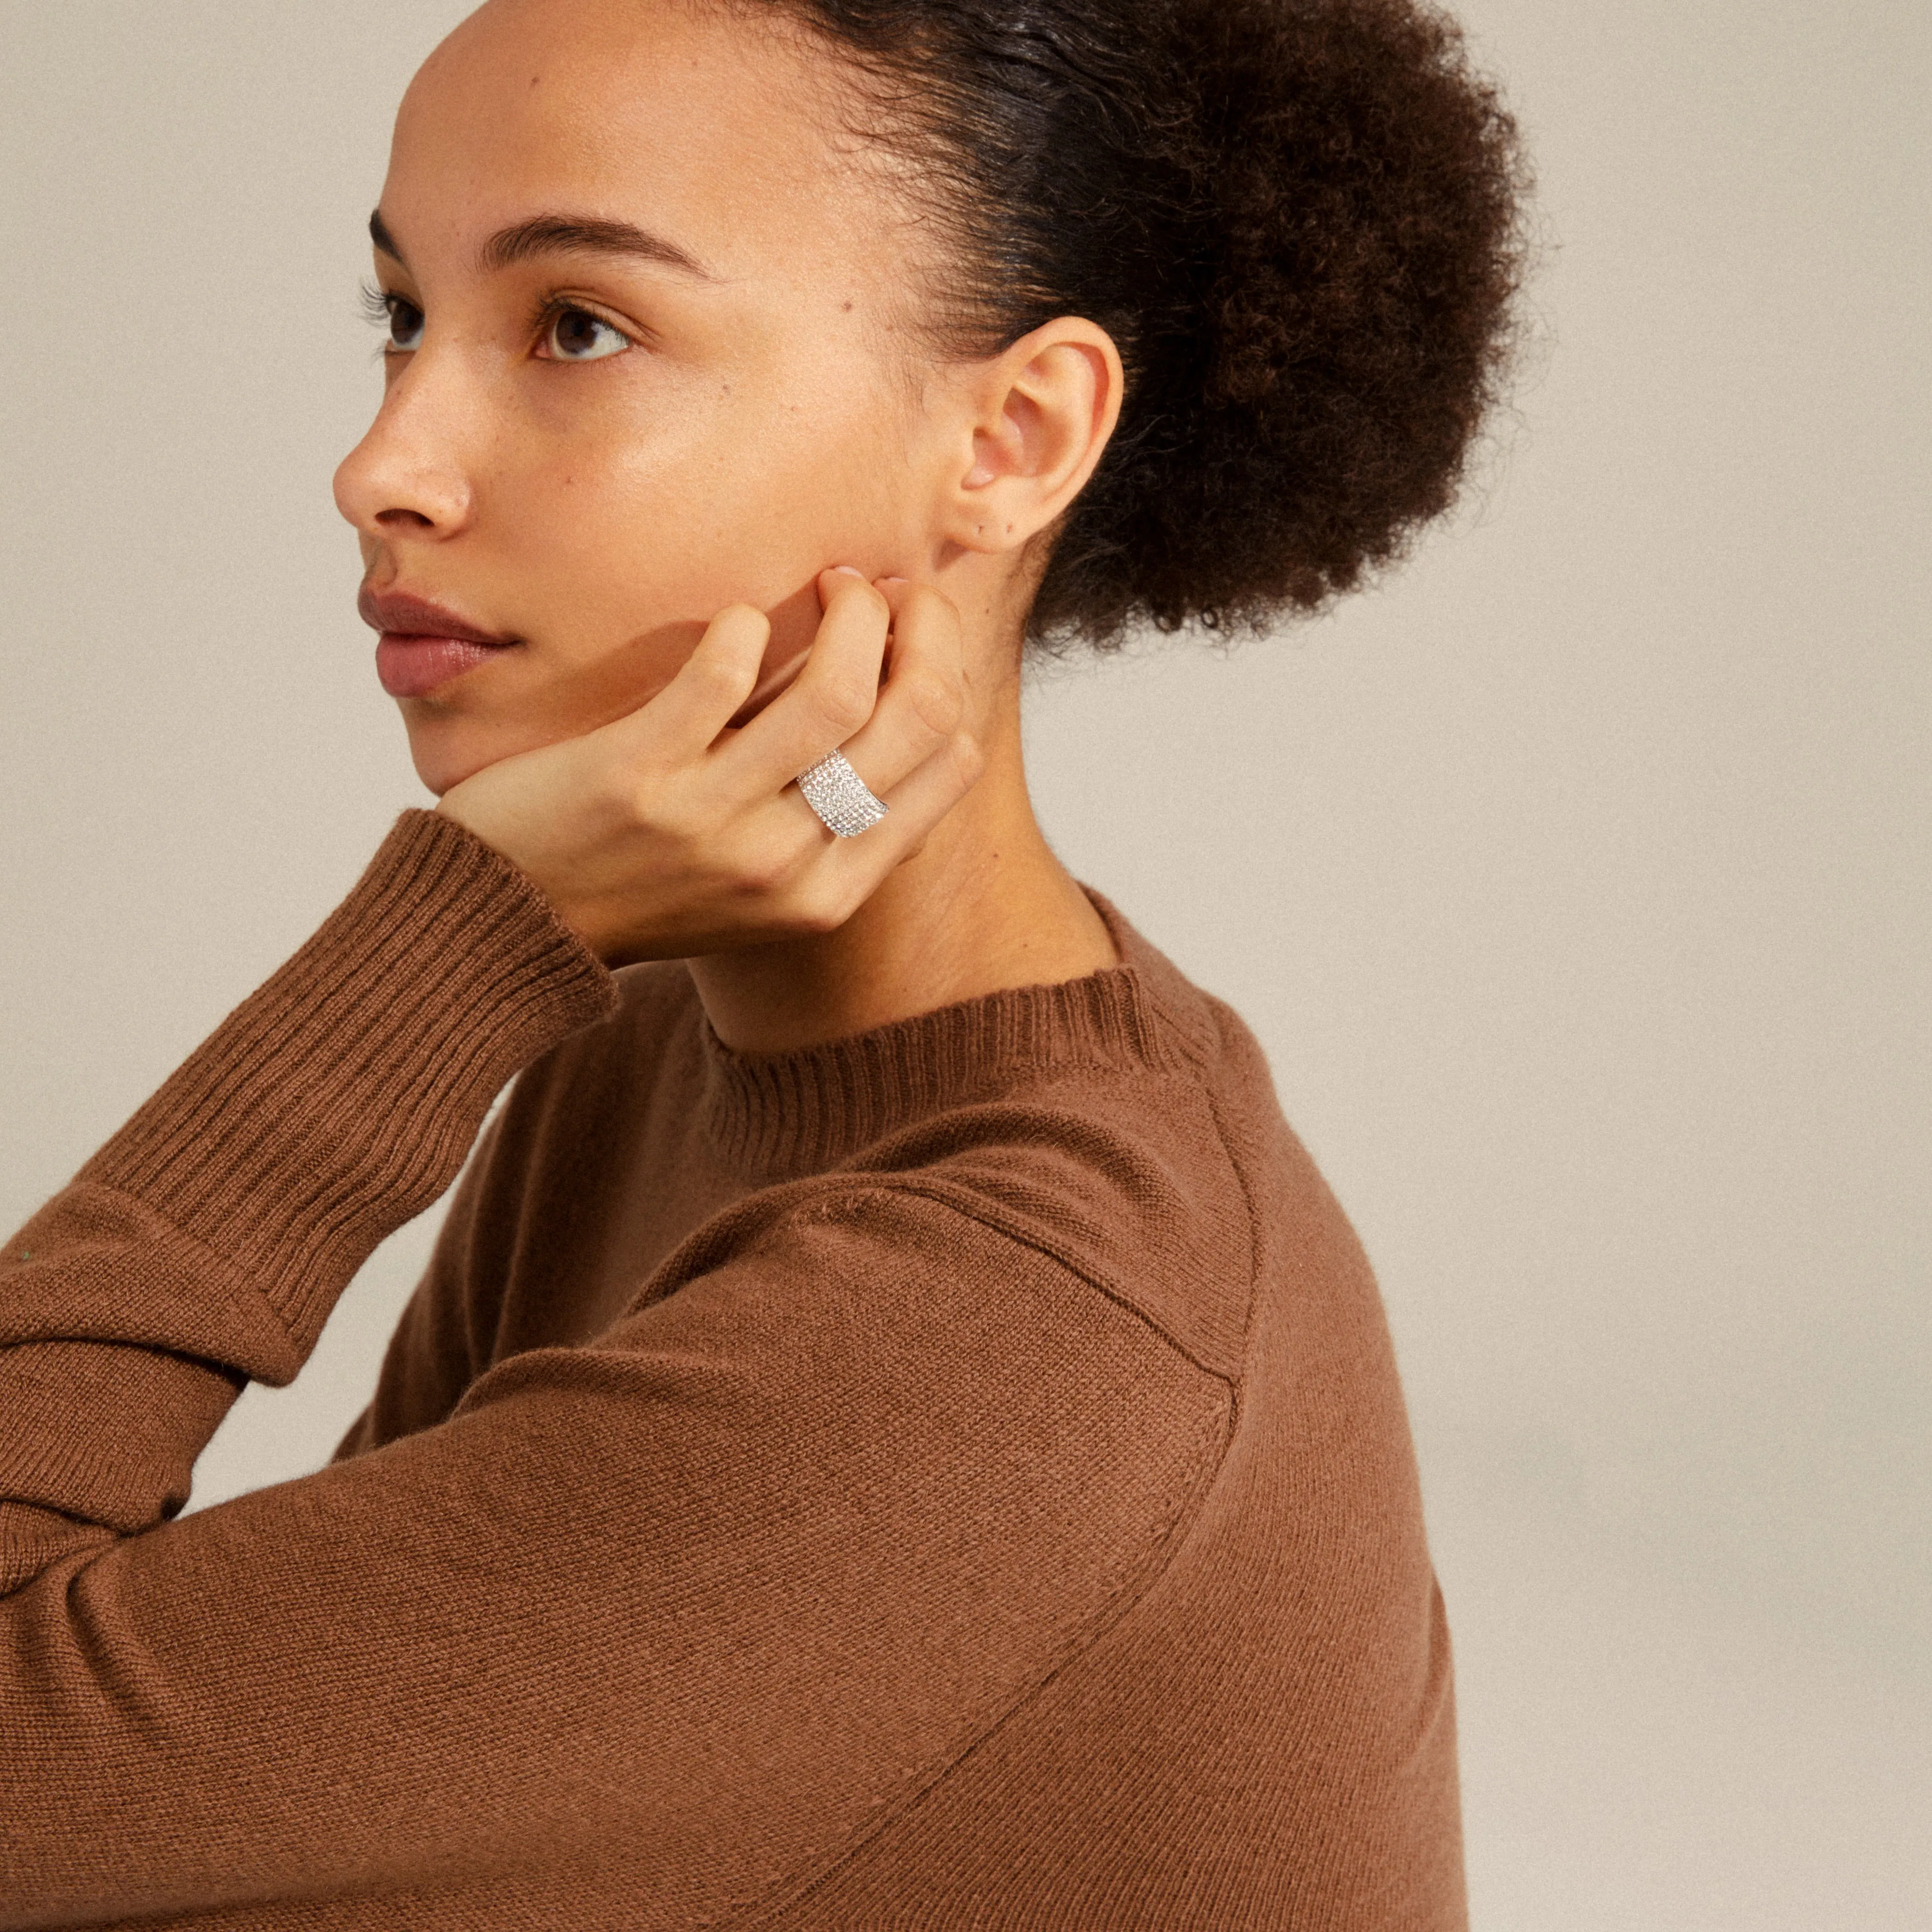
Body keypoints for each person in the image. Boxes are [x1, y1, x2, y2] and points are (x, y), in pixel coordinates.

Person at [0, 0, 1525, 1923]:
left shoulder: (1026, 1322)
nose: (381, 462)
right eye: (404, 314)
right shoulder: (658, 1043)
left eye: (577, 327)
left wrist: (449, 941)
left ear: (1010, 436)